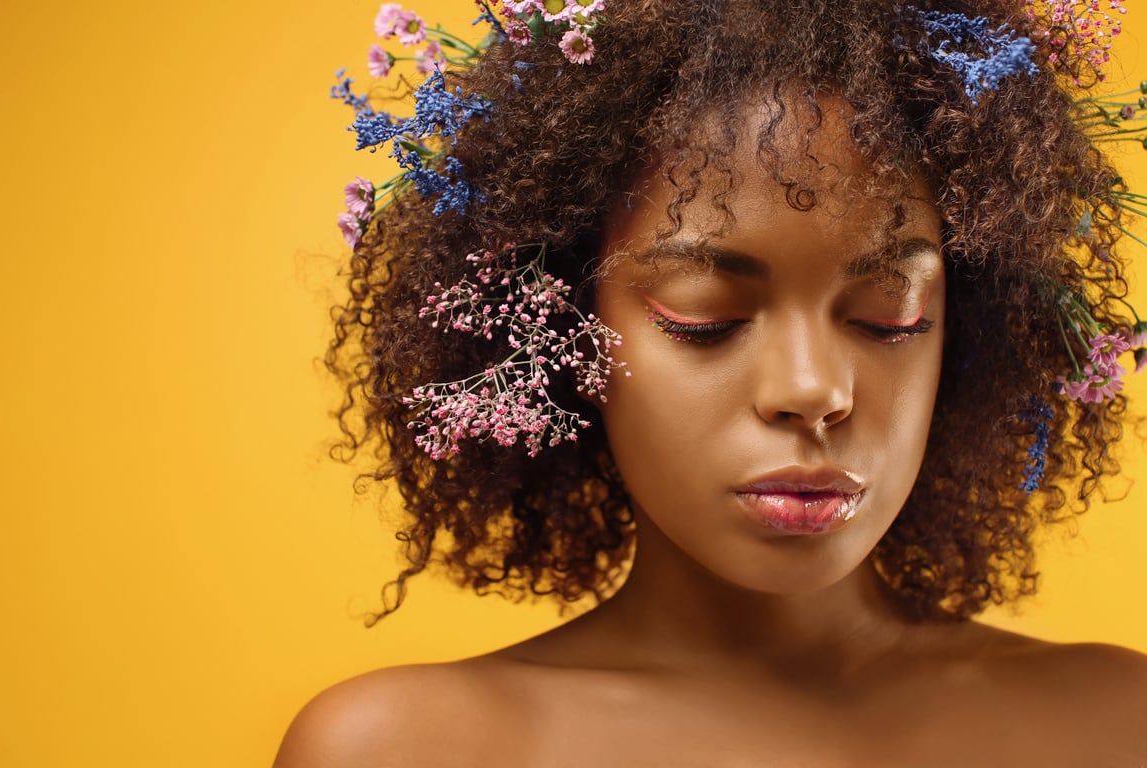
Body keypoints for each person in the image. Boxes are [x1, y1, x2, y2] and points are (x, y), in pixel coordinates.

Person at [277, 1, 1147, 764]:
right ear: (555, 326)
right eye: (706, 317)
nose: (813, 390)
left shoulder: (1120, 725)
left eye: (890, 314)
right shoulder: (403, 752)